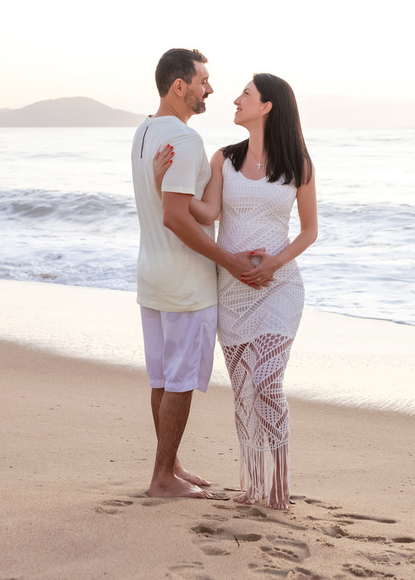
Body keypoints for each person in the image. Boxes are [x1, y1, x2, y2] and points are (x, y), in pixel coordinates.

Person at [154, 73, 317, 510]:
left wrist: (274, 264)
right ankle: (253, 486)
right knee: (244, 388)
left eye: (246, 94)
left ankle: (279, 490)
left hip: (279, 287)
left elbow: (309, 231)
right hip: (232, 289)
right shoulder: (224, 158)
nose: (235, 98)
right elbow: (206, 210)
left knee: (267, 382)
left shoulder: (298, 162)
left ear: (267, 106)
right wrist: (163, 186)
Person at [130, 48, 263, 499]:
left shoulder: (144, 131)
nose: (210, 88)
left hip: (152, 275)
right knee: (180, 382)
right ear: (179, 86)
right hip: (185, 283)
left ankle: (170, 464)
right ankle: (163, 476)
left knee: (163, 379)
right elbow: (175, 216)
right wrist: (229, 261)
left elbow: (166, 204)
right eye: (203, 80)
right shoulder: (185, 142)